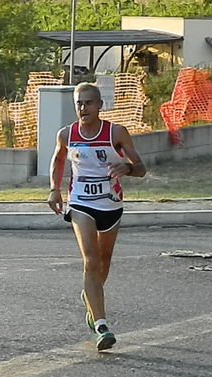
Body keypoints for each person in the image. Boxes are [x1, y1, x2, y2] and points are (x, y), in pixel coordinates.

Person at [47, 82, 146, 351]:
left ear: (100, 105)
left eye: (88, 103)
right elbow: (58, 160)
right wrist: (55, 190)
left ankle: (89, 296)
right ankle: (101, 325)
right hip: (80, 203)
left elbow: (141, 168)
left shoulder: (116, 132)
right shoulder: (67, 134)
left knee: (103, 264)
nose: (83, 108)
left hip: (111, 205)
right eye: (79, 103)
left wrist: (126, 167)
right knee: (90, 261)